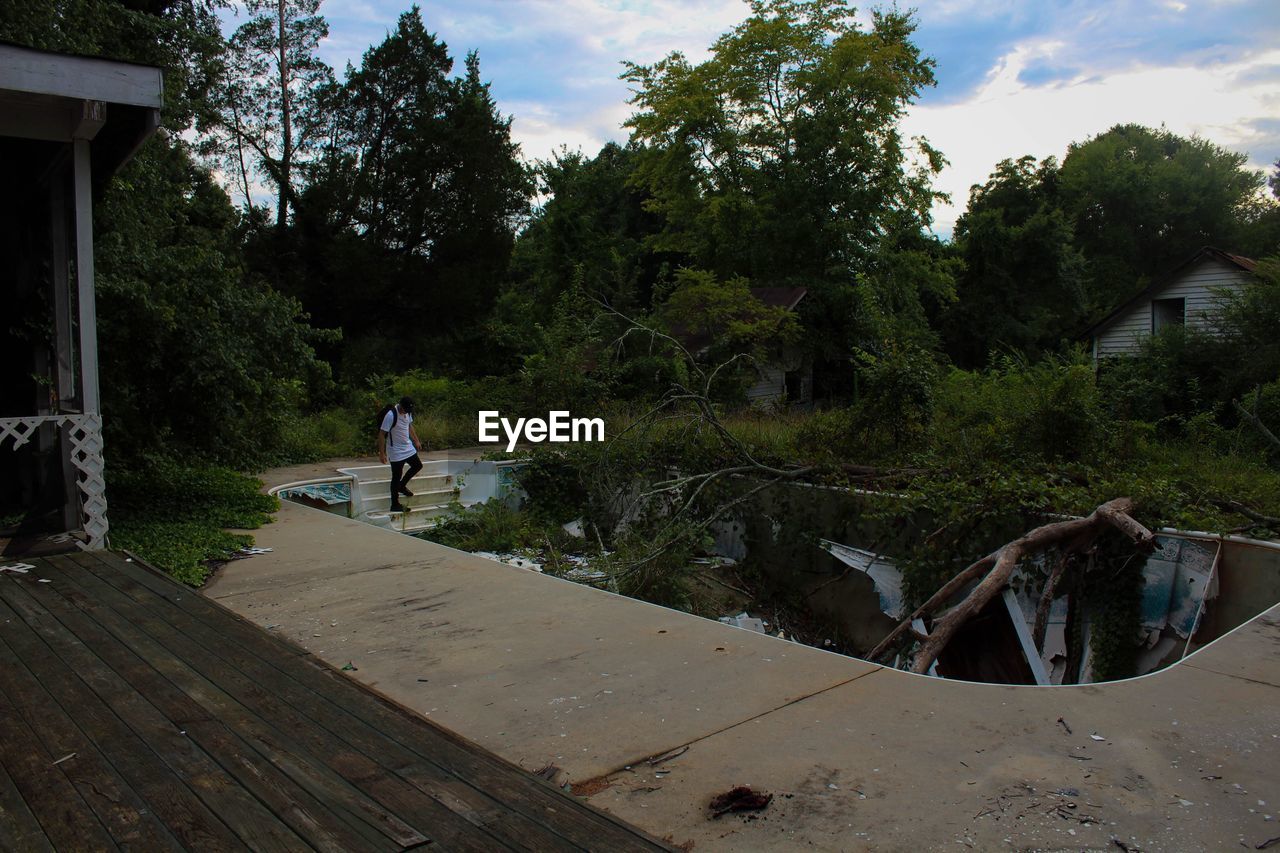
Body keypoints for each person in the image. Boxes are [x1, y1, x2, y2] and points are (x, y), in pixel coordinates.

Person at [377, 396, 423, 513]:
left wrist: (416, 440)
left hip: (407, 446)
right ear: (400, 405)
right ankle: (395, 504)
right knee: (396, 476)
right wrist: (382, 453)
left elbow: (409, 426)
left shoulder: (407, 412)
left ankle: (402, 486)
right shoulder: (391, 415)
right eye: (405, 409)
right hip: (395, 450)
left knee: (417, 465)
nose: (406, 412)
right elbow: (382, 434)